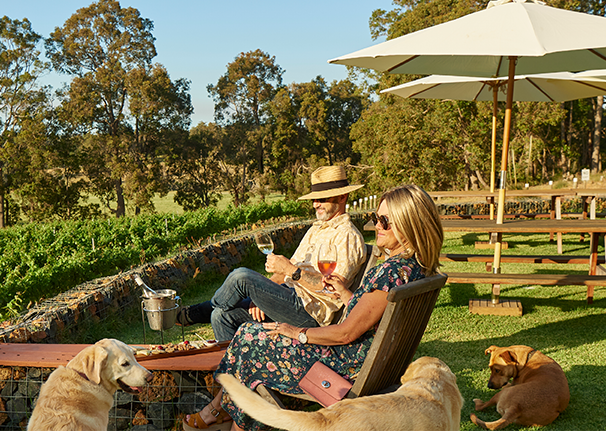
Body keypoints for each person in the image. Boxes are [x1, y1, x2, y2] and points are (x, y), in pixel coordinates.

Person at [181, 184, 444, 431]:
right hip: (368, 362)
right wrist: (345, 294)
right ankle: (220, 412)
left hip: (343, 367)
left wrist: (297, 332)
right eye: (377, 218)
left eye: (385, 221)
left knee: (249, 338)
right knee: (251, 337)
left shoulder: (390, 273)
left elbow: (346, 333)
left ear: (410, 226)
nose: (377, 225)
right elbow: (370, 318)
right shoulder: (412, 269)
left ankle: (221, 414)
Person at [178, 165, 373, 342]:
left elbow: (332, 288)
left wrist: (292, 270)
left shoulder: (347, 236)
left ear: (342, 197)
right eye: (314, 199)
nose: (315, 204)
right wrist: (260, 298)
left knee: (241, 276)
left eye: (322, 199)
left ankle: (194, 314)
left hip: (309, 313)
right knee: (221, 316)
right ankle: (233, 375)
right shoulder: (317, 229)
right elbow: (284, 272)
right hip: (288, 298)